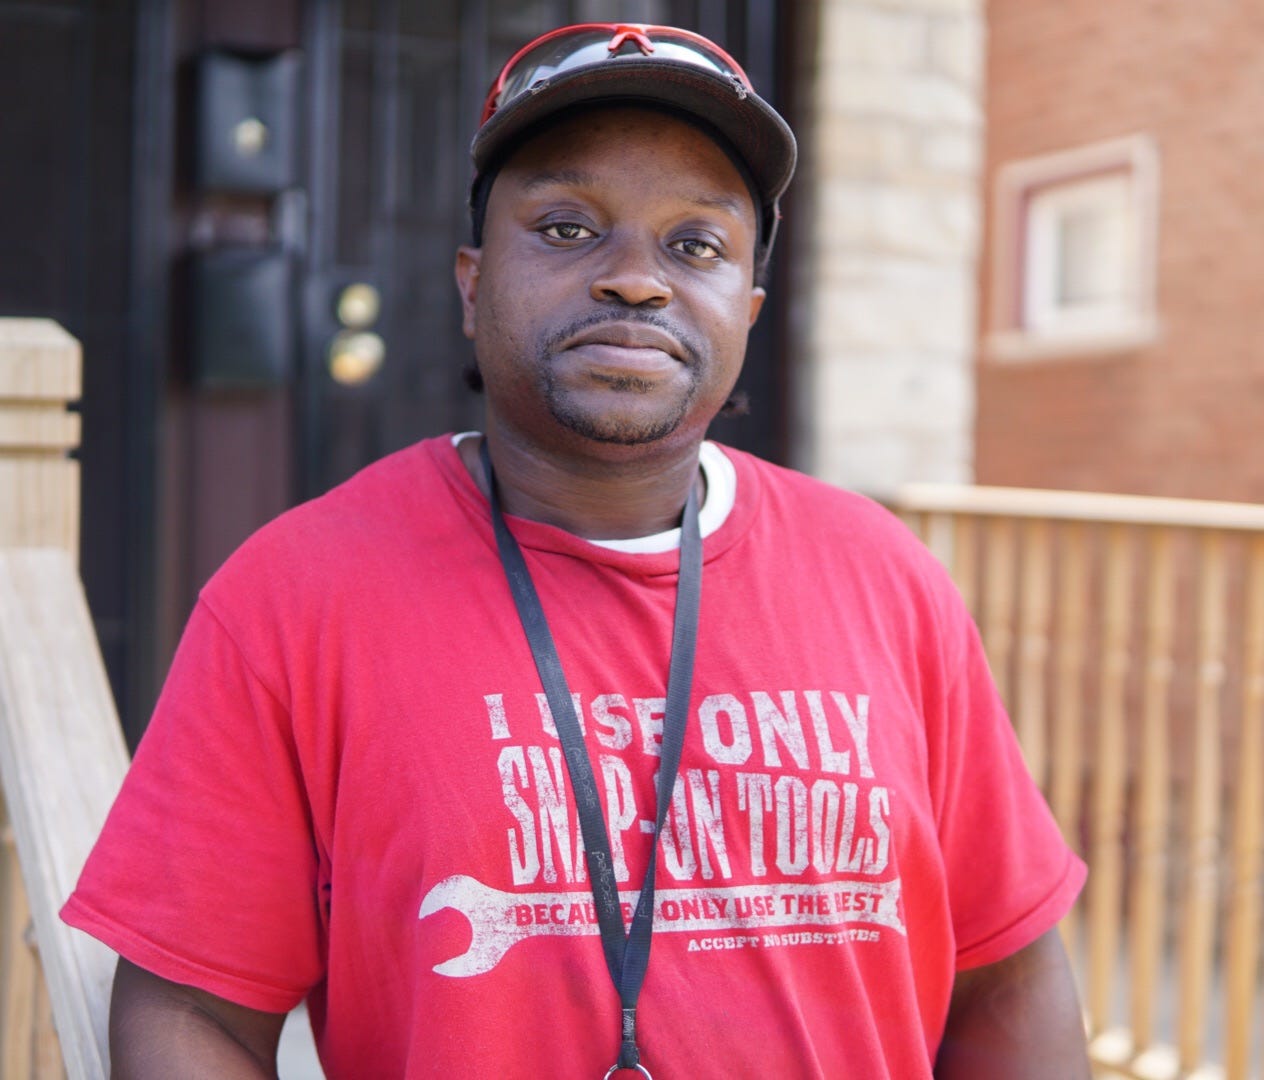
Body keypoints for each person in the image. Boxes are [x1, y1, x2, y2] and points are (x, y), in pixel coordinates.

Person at [64, 22, 1090, 1079]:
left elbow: (1005, 974)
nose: (636, 280)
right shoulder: (293, 596)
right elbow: (193, 1009)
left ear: (747, 307)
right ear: (470, 284)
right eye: (565, 227)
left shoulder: (886, 579)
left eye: (695, 244)